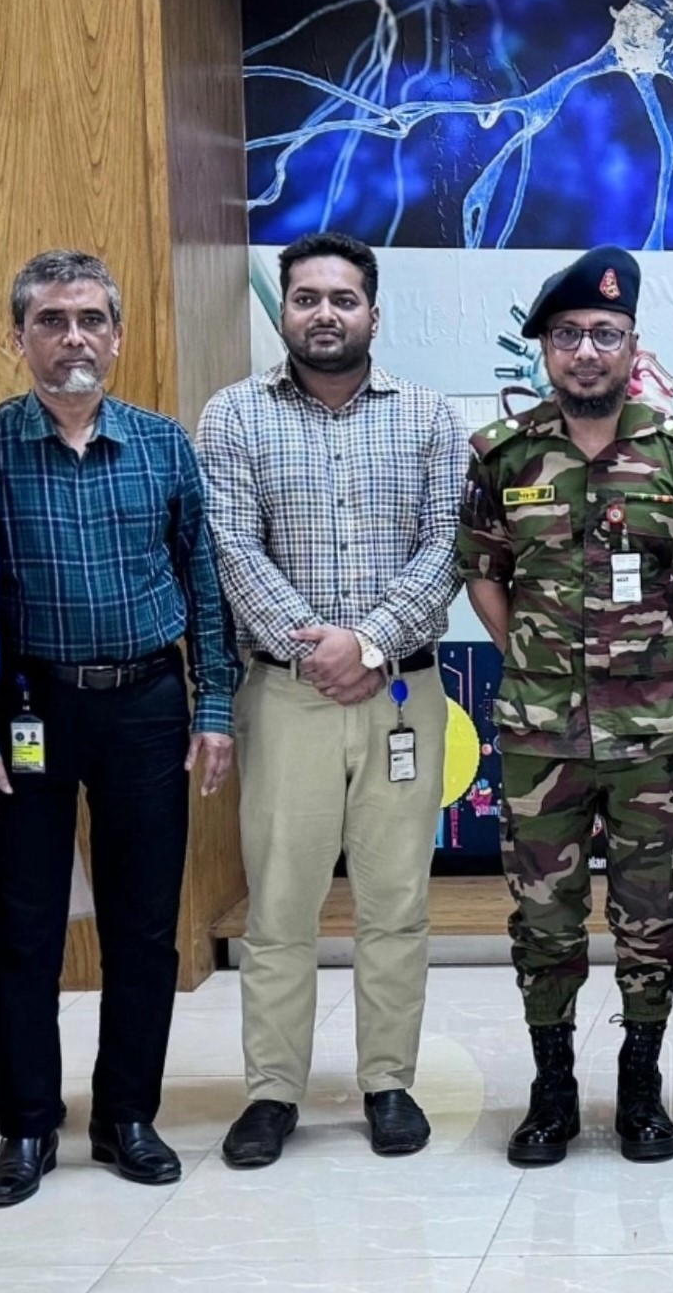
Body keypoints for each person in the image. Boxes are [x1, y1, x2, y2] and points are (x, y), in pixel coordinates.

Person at [0, 250, 235, 1205]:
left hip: (145, 706)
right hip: (24, 708)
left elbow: (204, 582)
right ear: (18, 337)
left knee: (144, 926)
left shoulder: (162, 445)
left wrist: (212, 706)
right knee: (20, 929)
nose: (72, 337)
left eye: (89, 320)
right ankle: (27, 1125)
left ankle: (126, 1117)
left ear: (116, 336)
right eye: (50, 320)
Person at [458, 246, 673, 1167]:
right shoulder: (502, 454)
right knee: (543, 917)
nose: (587, 351)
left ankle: (641, 1083)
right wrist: (532, 660)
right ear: (544, 349)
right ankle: (551, 1090)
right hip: (540, 734)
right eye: (570, 335)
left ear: (632, 346)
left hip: (648, 735)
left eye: (605, 335)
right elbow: (483, 573)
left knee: (652, 915)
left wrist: (660, 665)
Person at [199, 232, 468, 1167]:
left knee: (396, 902)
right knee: (280, 905)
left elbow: (447, 546)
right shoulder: (234, 416)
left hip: (402, 689)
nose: (324, 313)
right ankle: (272, 1093)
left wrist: (371, 643)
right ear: (283, 311)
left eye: (342, 299)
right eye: (306, 297)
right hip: (286, 695)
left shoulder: (430, 416)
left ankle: (388, 1082)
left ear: (373, 314)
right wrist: (317, 649)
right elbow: (231, 547)